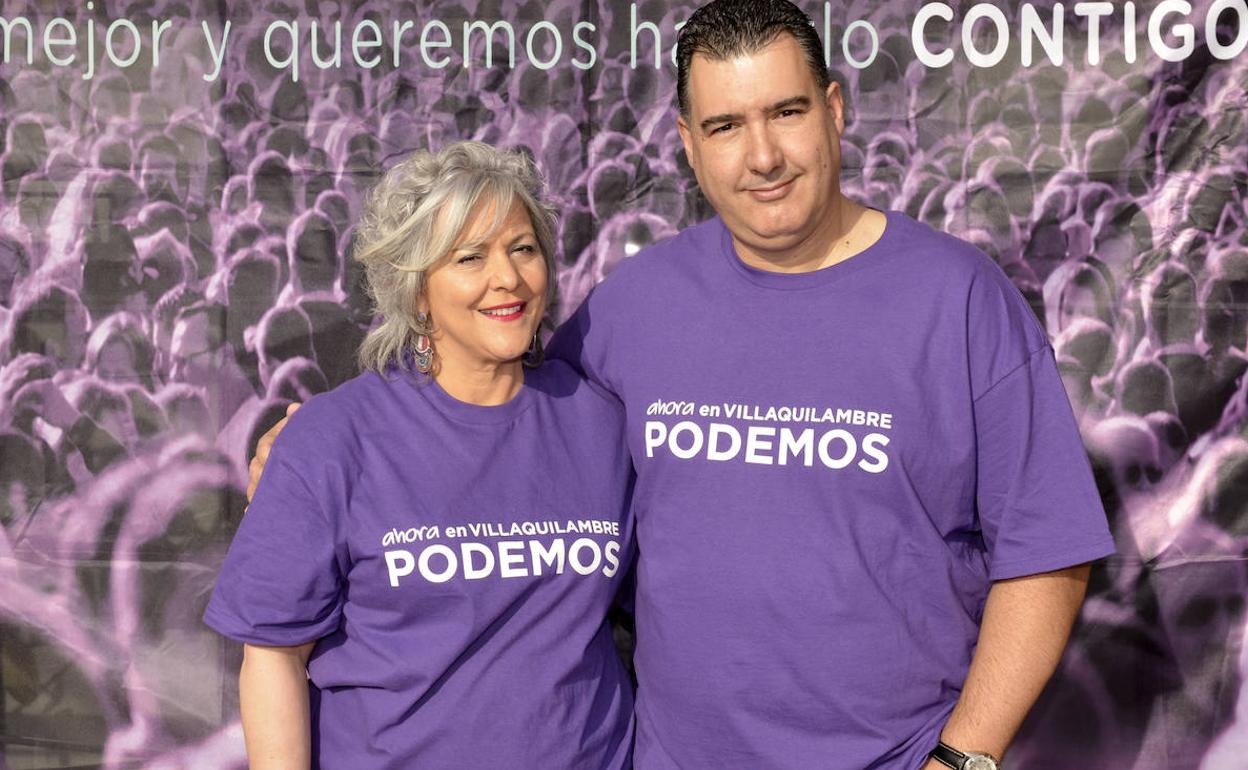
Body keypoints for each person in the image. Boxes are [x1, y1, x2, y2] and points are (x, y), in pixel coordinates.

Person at [250, 2, 1115, 768]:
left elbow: (1048, 554)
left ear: (835, 109)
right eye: (727, 125)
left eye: (786, 112)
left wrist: (963, 759)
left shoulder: (960, 301)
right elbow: (486, 396)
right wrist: (309, 451)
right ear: (688, 143)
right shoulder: (635, 306)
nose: (763, 155)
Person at [208, 142, 636, 769]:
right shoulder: (331, 440)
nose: (508, 277)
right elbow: (274, 656)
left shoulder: (604, 424)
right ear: (415, 290)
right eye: (470, 257)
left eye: (523, 248)